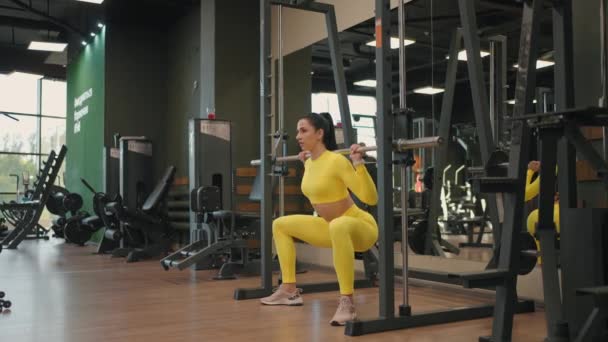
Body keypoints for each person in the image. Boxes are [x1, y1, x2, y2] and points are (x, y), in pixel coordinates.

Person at [260, 112, 378, 326]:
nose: (298, 135)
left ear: (320, 133)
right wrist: (307, 161)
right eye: (297, 131)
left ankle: (347, 302)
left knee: (339, 224)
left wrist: (358, 164)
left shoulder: (337, 161)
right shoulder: (311, 163)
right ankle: (289, 290)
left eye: (303, 130)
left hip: (360, 227)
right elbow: (318, 181)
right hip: (331, 226)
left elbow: (371, 198)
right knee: (280, 224)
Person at [525, 160, 560, 264]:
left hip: (557, 218)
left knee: (534, 219)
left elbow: (525, 193)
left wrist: (530, 171)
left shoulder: (552, 167)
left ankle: (543, 261)